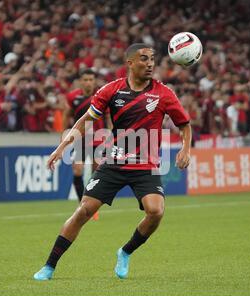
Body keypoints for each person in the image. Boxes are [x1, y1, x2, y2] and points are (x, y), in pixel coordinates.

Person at [33, 43, 192, 281]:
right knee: (83, 211)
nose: (149, 64)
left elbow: (184, 125)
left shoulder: (164, 94)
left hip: (145, 166)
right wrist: (61, 147)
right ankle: (49, 266)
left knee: (156, 211)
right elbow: (85, 120)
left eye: (152, 59)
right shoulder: (111, 90)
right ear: (129, 63)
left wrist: (185, 148)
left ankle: (125, 251)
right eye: (143, 59)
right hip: (115, 163)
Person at [62, 69, 106, 220]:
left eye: (91, 79)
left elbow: (109, 117)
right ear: (80, 81)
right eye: (85, 80)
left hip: (99, 140)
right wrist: (64, 135)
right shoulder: (72, 97)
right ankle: (82, 204)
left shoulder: (101, 95)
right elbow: (66, 115)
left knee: (96, 174)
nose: (88, 82)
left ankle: (92, 205)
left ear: (94, 81)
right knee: (77, 170)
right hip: (81, 139)